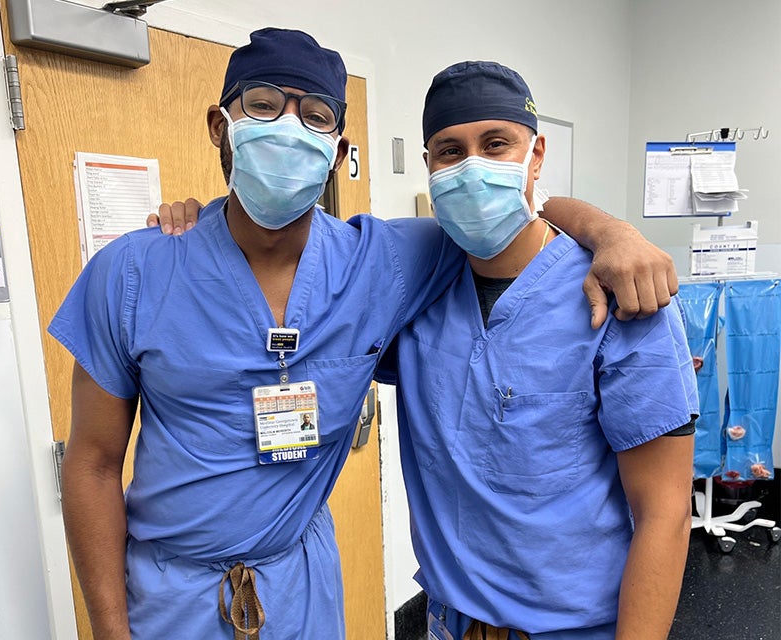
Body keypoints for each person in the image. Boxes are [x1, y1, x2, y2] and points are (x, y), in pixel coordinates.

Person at [52, 28, 680, 640]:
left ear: (337, 145)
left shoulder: (385, 262)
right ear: (221, 126)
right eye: (264, 107)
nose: (288, 130)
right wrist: (109, 628)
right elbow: (92, 461)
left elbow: (527, 225)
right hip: (172, 595)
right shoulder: (135, 271)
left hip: (303, 587)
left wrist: (611, 231)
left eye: (315, 115)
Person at [375, 61, 698, 640]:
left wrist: (610, 231)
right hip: (451, 620)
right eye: (450, 151)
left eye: (496, 143)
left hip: (574, 628)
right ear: (429, 165)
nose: (472, 166)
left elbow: (665, 515)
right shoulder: (415, 285)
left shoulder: (618, 297)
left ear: (537, 154)